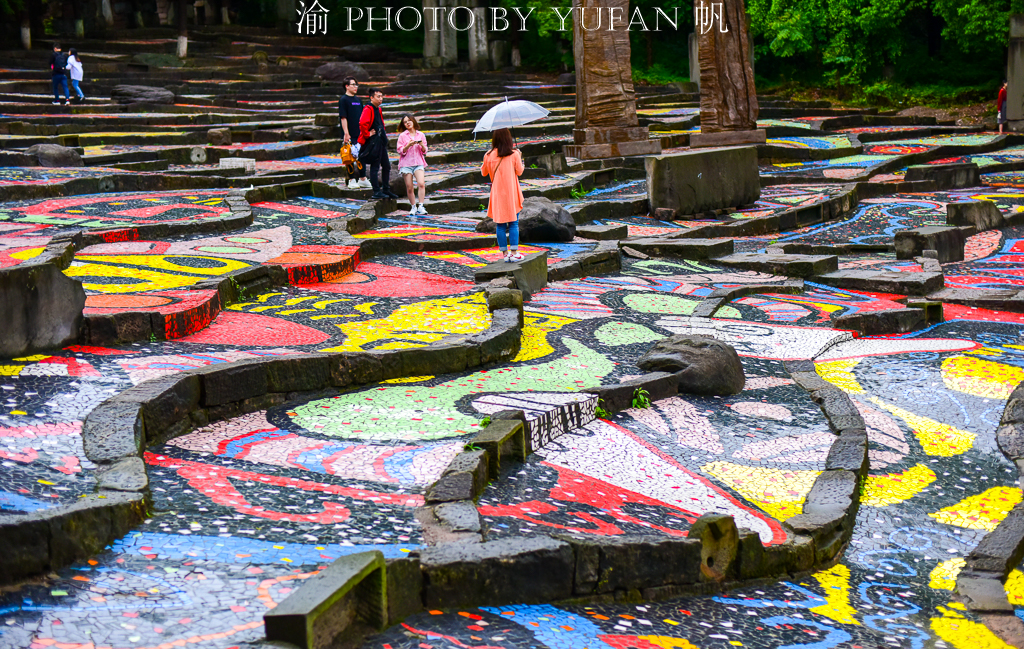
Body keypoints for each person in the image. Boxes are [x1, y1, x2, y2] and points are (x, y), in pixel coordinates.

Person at [481, 128, 525, 262]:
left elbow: (483, 173)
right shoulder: (514, 154)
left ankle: (505, 254)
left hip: (497, 193)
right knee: (514, 223)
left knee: (500, 225)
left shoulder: (488, 155)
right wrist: (520, 157)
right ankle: (514, 252)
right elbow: (520, 172)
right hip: (511, 193)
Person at [358, 88, 399, 200]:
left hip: (380, 141)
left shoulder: (378, 109)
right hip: (373, 142)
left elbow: (381, 123)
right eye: (378, 96)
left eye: (381, 96)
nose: (381, 99)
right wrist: (367, 134)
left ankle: (386, 189)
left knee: (386, 166)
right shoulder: (368, 108)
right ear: (371, 97)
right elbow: (362, 123)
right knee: (375, 167)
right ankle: (376, 191)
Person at [338, 76, 370, 189]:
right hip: (349, 133)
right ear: (347, 86)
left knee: (361, 155)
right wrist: (346, 133)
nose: (356, 87)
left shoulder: (358, 100)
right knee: (349, 156)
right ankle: (351, 179)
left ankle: (362, 178)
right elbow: (343, 117)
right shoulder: (343, 100)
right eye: (353, 84)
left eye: (356, 85)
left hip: (360, 133)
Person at [397, 115, 429, 216]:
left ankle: (421, 205)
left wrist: (421, 145)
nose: (408, 123)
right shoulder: (402, 136)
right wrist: (408, 145)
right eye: (405, 122)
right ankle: (413, 206)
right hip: (406, 164)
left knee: (421, 183)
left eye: (409, 121)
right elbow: (400, 150)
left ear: (414, 121)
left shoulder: (421, 135)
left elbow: (425, 151)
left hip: (418, 162)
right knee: (409, 187)